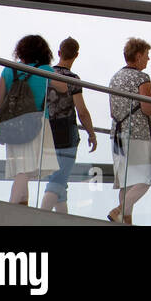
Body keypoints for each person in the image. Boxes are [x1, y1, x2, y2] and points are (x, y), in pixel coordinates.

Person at [0, 35, 65, 206]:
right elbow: (64, 87)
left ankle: (22, 208)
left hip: (11, 123)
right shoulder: (45, 70)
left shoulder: (9, 70)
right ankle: (11, 209)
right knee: (25, 170)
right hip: (35, 123)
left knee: (21, 168)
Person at [107, 38, 151, 224]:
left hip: (117, 134)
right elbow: (147, 109)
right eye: (147, 56)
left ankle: (126, 219)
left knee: (126, 181)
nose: (148, 60)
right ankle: (119, 211)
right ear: (138, 56)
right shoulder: (142, 78)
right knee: (146, 178)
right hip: (137, 134)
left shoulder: (115, 78)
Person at [40, 37, 97, 213]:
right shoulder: (73, 79)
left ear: (59, 53)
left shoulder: (46, 74)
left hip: (46, 131)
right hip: (66, 133)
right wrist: (91, 134)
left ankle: (62, 220)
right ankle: (40, 217)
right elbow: (82, 111)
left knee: (59, 181)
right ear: (76, 55)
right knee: (58, 178)